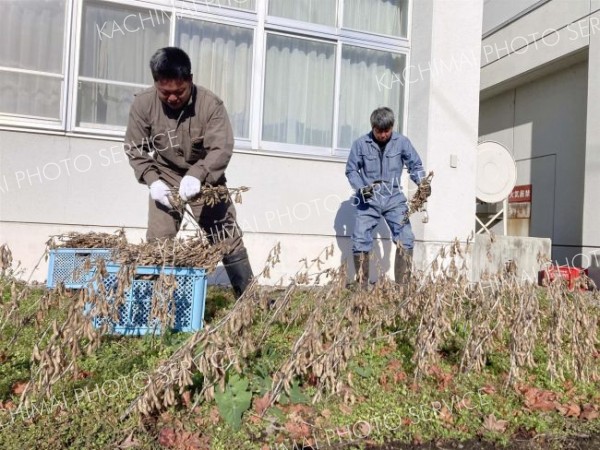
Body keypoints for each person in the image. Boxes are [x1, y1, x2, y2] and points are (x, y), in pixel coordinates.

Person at [124, 47, 253, 298]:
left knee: (225, 234)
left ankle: (247, 298)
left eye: (179, 92)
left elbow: (221, 147)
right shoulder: (143, 104)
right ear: (156, 84)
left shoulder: (210, 104)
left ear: (190, 80)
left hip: (205, 174)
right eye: (165, 93)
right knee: (159, 239)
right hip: (164, 174)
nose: (172, 98)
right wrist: (153, 182)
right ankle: (149, 301)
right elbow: (135, 148)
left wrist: (198, 174)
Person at [345, 107, 431, 288]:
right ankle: (361, 291)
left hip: (393, 197)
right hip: (369, 198)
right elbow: (351, 170)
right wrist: (361, 189)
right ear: (372, 127)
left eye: (387, 130)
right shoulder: (361, 144)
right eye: (379, 131)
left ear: (392, 126)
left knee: (406, 237)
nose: (383, 135)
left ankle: (403, 290)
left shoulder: (402, 143)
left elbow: (415, 165)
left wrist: (422, 182)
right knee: (360, 238)